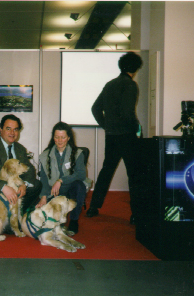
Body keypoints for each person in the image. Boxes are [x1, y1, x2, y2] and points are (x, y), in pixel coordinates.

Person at [86, 52, 143, 225]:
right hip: (127, 136)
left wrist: (107, 126)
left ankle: (93, 207)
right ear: (135, 68)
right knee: (134, 174)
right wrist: (137, 130)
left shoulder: (110, 84)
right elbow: (128, 113)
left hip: (111, 137)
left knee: (106, 171)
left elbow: (95, 108)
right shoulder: (131, 85)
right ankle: (136, 214)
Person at [0, 114, 41, 213]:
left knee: (36, 185)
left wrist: (24, 185)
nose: (12, 133)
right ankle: (6, 216)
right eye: (8, 129)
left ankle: (17, 213)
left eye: (16, 129)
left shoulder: (20, 149)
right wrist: (3, 187)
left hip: (14, 189)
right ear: (1, 130)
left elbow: (30, 169)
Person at [37, 122, 92, 235]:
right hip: (55, 191)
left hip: (71, 188)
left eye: (63, 137)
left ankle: (74, 220)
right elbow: (43, 178)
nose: (60, 140)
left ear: (68, 138)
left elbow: (81, 174)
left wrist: (61, 180)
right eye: (57, 137)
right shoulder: (45, 155)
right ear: (53, 138)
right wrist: (43, 197)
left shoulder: (77, 153)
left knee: (79, 186)